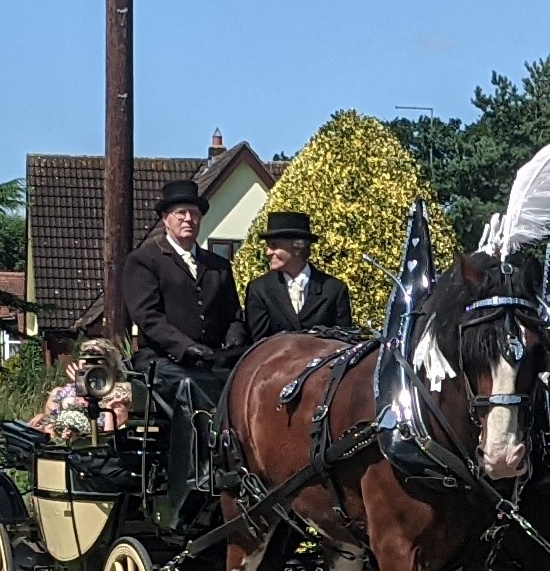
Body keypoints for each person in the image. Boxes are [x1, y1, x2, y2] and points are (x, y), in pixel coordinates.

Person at [122, 179, 246, 368]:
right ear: (165, 219)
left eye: (194, 213)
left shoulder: (218, 265)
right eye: (181, 213)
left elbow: (233, 315)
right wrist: (185, 347)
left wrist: (234, 338)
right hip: (163, 359)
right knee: (189, 387)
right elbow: (148, 316)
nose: (188, 219)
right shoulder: (145, 260)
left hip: (213, 359)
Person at [244, 211, 352, 341]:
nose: (268, 252)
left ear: (298, 247)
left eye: (274, 246)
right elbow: (258, 345)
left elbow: (342, 344)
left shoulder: (334, 290)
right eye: (268, 246)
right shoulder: (260, 289)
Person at [30, 338, 132, 442]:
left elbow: (109, 438)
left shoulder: (118, 395)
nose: (89, 369)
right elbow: (51, 426)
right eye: (85, 365)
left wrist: (84, 387)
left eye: (95, 364)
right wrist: (43, 422)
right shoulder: (60, 393)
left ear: (109, 366)